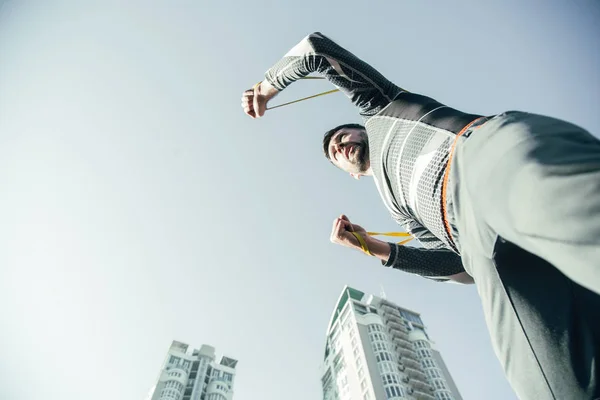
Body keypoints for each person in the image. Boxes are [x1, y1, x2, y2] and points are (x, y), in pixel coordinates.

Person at [241, 32, 600, 400]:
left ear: (359, 129)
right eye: (335, 152)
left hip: (476, 156)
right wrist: (369, 245)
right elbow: (456, 268)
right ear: (348, 172)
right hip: (478, 248)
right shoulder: (399, 211)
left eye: (341, 136)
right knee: (552, 384)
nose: (340, 145)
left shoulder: (379, 107)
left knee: (579, 217)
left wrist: (267, 85)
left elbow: (315, 50)